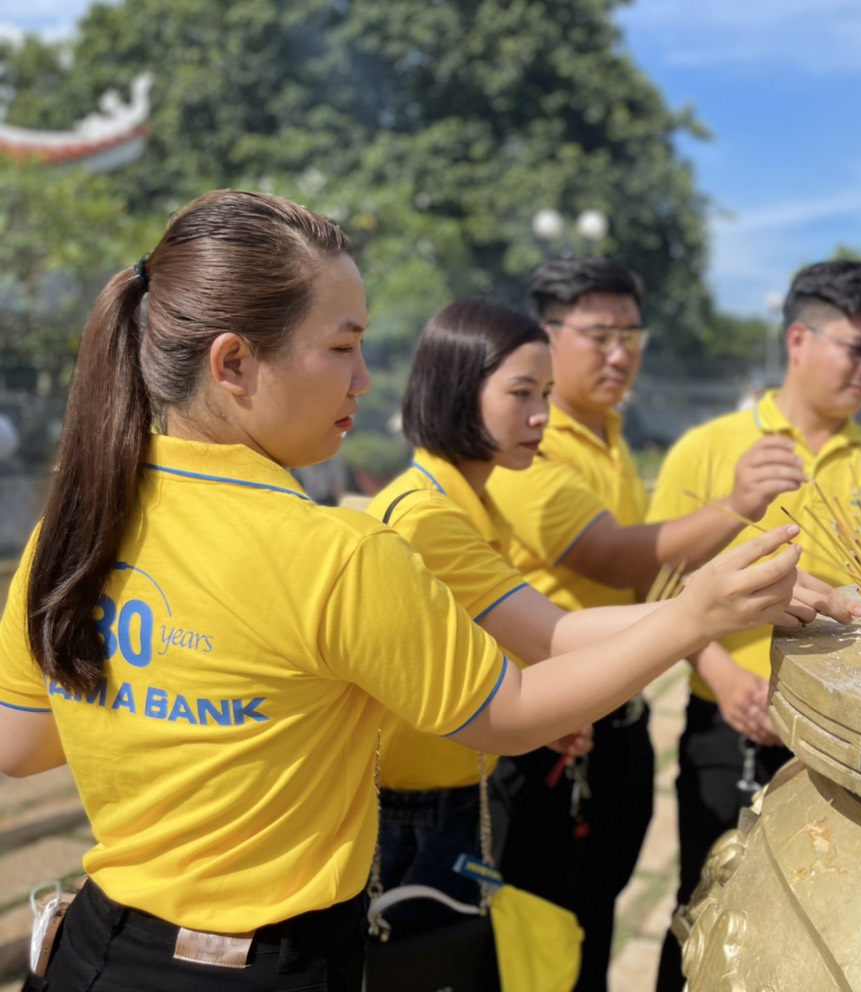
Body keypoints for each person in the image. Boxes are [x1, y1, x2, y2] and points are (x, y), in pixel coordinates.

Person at [0, 190, 804, 992]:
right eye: (343, 347)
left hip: (96, 951)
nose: (364, 377)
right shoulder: (338, 554)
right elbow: (514, 711)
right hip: (267, 965)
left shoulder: (70, 529)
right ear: (234, 362)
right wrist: (698, 614)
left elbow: (23, 747)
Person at [484, 258, 813, 991]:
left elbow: (648, 583)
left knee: (595, 911)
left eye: (632, 334)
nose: (620, 353)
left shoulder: (611, 437)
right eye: (600, 335)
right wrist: (735, 508)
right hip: (548, 727)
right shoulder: (528, 443)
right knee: (534, 929)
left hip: (617, 717)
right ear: (544, 335)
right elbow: (608, 556)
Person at [647, 259, 861, 992]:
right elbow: (658, 588)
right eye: (857, 348)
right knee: (705, 909)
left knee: (827, 927)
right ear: (798, 340)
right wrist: (724, 674)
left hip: (847, 746)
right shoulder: (712, 449)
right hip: (729, 729)